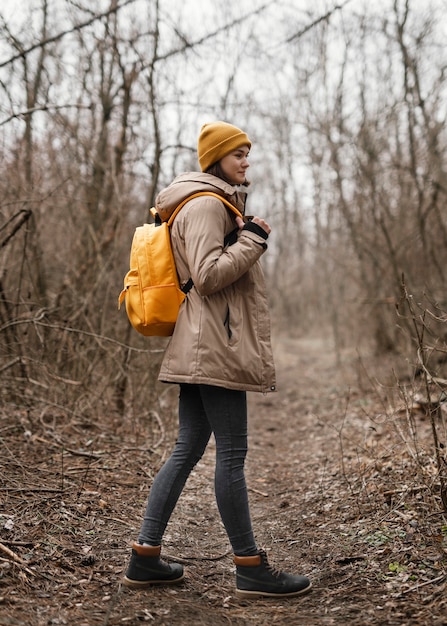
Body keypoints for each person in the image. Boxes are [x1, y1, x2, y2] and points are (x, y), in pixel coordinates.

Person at [123, 121, 312, 599]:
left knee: (188, 448)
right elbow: (207, 277)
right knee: (231, 455)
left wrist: (244, 232)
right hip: (215, 347)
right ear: (216, 160)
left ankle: (145, 557)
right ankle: (250, 568)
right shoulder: (207, 204)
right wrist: (253, 239)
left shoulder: (204, 202)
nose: (246, 161)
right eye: (238, 154)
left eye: (248, 153)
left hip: (202, 342)